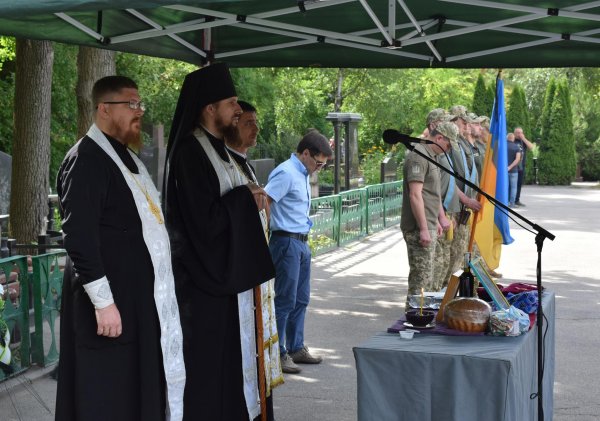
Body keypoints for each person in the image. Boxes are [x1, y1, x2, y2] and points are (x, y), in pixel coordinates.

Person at [56, 76, 185, 421]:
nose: (139, 112)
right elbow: (78, 236)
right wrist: (104, 303)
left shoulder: (127, 158)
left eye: (140, 105)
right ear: (104, 109)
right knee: (106, 395)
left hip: (136, 307)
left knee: (132, 392)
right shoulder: (86, 158)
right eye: (131, 105)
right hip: (107, 312)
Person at [163, 63, 277, 421]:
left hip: (229, 283)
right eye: (231, 103)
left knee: (234, 366)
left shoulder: (221, 150)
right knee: (212, 374)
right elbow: (202, 222)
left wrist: (249, 197)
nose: (238, 110)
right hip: (204, 287)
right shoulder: (189, 153)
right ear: (209, 108)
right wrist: (246, 198)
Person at [224, 99, 285, 404]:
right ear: (231, 123)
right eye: (248, 123)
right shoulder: (225, 163)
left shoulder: (243, 162)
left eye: (256, 123)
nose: (256, 129)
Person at [264, 130, 333, 374]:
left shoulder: (302, 172)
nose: (319, 168)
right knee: (285, 299)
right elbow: (265, 201)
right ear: (305, 154)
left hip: (301, 242)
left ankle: (296, 347)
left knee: (301, 299)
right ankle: (278, 352)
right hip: (285, 241)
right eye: (318, 162)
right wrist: (266, 231)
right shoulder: (286, 172)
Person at [400, 122, 456, 309]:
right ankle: (413, 321)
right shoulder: (419, 156)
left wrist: (438, 218)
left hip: (429, 224)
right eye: (448, 145)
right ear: (439, 138)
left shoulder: (432, 156)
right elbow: (415, 194)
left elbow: (433, 192)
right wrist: (424, 228)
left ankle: (422, 318)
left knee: (429, 280)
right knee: (421, 282)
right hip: (418, 228)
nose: (448, 151)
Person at [513, 126, 535, 206]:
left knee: (519, 184)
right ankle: (510, 200)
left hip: (521, 167)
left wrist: (524, 139)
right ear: (514, 133)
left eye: (521, 133)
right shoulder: (512, 140)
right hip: (512, 166)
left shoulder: (523, 142)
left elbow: (531, 147)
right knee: (511, 184)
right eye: (518, 133)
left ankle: (517, 200)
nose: (519, 134)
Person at [507, 132, 522, 207]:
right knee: (513, 187)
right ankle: (512, 203)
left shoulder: (502, 146)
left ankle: (505, 202)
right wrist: (510, 167)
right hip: (514, 171)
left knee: (505, 187)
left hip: (504, 171)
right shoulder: (516, 147)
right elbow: (517, 159)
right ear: (513, 139)